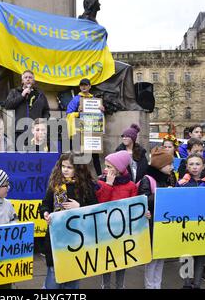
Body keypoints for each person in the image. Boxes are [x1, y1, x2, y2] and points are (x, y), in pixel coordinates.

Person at [39, 153, 98, 289]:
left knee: (72, 280)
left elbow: (95, 209)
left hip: (76, 240)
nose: (65, 170)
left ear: (78, 169)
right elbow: (45, 203)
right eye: (63, 166)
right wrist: (45, 213)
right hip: (56, 239)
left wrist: (79, 207)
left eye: (69, 167)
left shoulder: (86, 187)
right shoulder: (56, 184)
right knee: (53, 280)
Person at [94, 150, 137, 289]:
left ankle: (120, 285)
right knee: (106, 259)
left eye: (109, 167)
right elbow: (100, 203)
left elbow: (134, 206)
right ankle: (105, 285)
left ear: (119, 168)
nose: (105, 169)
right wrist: (108, 185)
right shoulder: (101, 182)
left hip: (122, 230)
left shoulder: (130, 185)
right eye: (105, 166)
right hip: (104, 229)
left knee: (121, 259)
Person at [177, 153, 205, 289]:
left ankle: (197, 284)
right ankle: (187, 284)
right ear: (187, 166)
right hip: (186, 226)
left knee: (200, 256)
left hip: (203, 226)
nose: (194, 167)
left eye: (197, 164)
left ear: (203, 166)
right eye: (191, 164)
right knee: (186, 256)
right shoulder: (181, 183)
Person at [137, 147, 174, 289]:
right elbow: (143, 200)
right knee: (152, 259)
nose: (171, 167)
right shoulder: (147, 179)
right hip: (152, 225)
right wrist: (163, 194)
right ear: (160, 165)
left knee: (161, 258)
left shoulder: (168, 178)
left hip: (164, 223)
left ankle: (157, 284)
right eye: (169, 164)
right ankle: (149, 285)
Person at [66, 78, 105, 176]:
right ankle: (76, 176)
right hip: (78, 132)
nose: (83, 87)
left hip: (91, 131)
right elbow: (68, 115)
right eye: (81, 85)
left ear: (89, 86)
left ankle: (100, 177)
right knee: (77, 156)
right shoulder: (75, 99)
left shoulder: (94, 100)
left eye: (85, 85)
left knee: (95, 155)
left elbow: (99, 118)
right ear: (79, 87)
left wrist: (102, 111)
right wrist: (78, 113)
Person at [5, 70, 50, 147]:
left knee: (35, 156)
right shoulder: (15, 92)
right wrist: (22, 95)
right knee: (20, 157)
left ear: (34, 81)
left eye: (30, 77)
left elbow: (46, 111)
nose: (28, 79)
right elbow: (8, 106)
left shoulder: (40, 95)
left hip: (36, 133)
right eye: (25, 77)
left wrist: (42, 122)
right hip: (19, 130)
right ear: (22, 81)